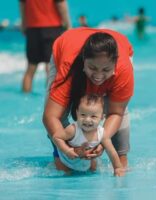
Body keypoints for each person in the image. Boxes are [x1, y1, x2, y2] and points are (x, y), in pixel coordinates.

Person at [43, 27, 134, 172]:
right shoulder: (69, 66)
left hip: (120, 50)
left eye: (105, 70)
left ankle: (122, 156)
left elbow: (116, 113)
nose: (98, 76)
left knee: (121, 160)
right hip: (68, 49)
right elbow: (51, 116)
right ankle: (61, 157)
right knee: (63, 166)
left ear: (115, 66)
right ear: (84, 62)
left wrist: (102, 142)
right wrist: (66, 149)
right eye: (92, 68)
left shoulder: (123, 70)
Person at [52, 93, 125, 176]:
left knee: (93, 169)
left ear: (101, 117)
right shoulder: (73, 129)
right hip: (66, 159)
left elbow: (111, 152)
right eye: (83, 115)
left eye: (93, 116)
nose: (87, 120)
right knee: (65, 173)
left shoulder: (102, 133)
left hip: (86, 159)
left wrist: (117, 168)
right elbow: (56, 137)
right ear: (77, 113)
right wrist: (67, 150)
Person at [19, 0, 72, 93]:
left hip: (32, 28)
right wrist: (68, 25)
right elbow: (61, 4)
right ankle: (50, 100)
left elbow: (22, 5)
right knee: (50, 66)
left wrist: (24, 24)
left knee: (30, 67)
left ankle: (25, 98)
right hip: (52, 27)